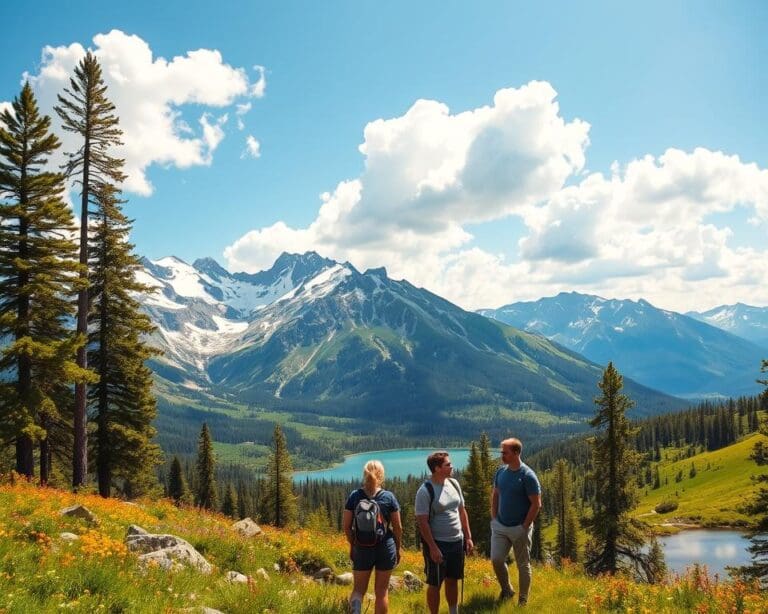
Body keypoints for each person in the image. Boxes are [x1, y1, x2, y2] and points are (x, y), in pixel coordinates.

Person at [415, 451, 474, 614]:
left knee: (453, 579)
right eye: (448, 464)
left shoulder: (454, 483)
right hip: (438, 544)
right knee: (435, 583)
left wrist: (468, 537)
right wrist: (433, 548)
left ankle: (453, 611)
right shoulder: (425, 491)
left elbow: (462, 511)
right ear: (437, 468)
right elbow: (422, 522)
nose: (452, 466)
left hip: (457, 542)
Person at [343, 460, 403, 614]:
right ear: (381, 475)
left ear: (364, 474)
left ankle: (355, 611)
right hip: (385, 547)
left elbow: (346, 526)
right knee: (381, 592)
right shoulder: (388, 497)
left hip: (362, 548)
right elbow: (397, 527)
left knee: (358, 591)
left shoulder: (355, 496)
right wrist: (397, 548)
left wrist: (354, 544)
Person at [490, 437, 542, 607]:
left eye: (505, 452)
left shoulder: (527, 476)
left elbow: (536, 504)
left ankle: (523, 601)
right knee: (496, 559)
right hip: (500, 526)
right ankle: (507, 590)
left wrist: (524, 527)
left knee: (523, 565)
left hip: (519, 528)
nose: (502, 455)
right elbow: (496, 494)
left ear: (516, 452)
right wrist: (494, 518)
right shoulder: (501, 472)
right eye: (502, 452)